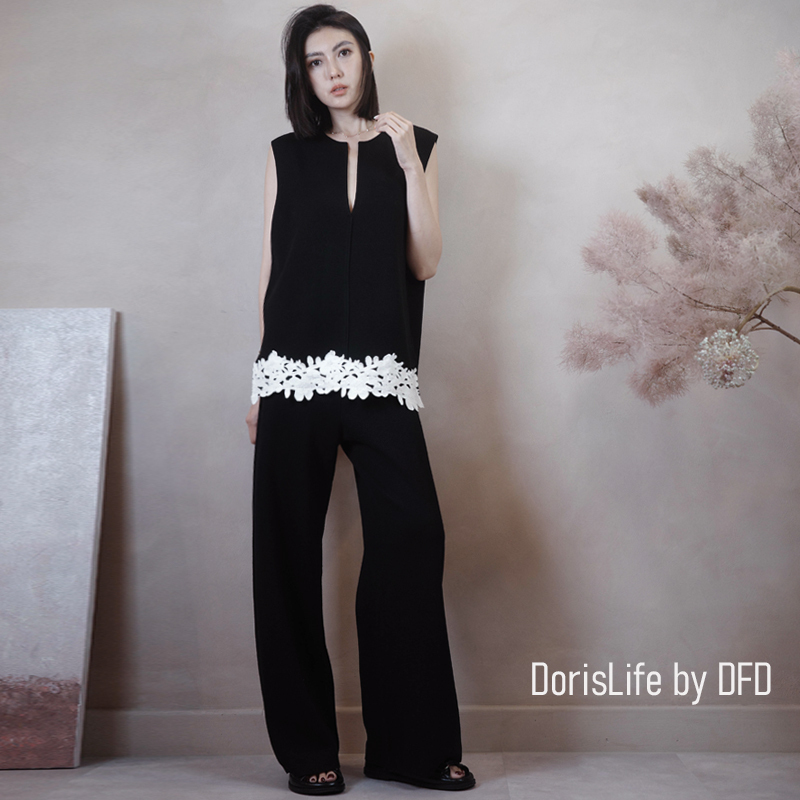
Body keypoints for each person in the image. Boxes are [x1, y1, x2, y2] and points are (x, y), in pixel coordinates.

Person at [245, 5, 475, 795]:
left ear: (367, 59)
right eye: (315, 61)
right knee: (284, 559)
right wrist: (259, 379)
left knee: (411, 537)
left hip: (382, 379)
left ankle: (412, 749)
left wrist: (406, 161)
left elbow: (426, 261)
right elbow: (273, 268)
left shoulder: (416, 145)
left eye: (343, 53)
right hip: (292, 377)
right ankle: (307, 750)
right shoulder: (286, 154)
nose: (332, 71)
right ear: (302, 76)